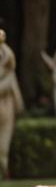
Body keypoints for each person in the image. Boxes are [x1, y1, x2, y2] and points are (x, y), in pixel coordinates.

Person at [0, 27, 24, 178]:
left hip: (6, 107)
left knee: (3, 148)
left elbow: (14, 92)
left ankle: (3, 171)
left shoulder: (9, 77)